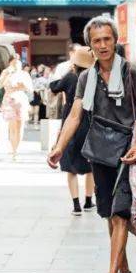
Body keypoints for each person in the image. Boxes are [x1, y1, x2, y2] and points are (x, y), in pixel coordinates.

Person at [48, 15, 136, 273]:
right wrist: (59, 147)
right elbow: (75, 114)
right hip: (99, 150)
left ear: (115, 40)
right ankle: (125, 271)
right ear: (90, 45)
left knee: (120, 213)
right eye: (97, 41)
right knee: (109, 213)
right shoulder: (86, 77)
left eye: (107, 39)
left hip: (127, 151)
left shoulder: (133, 73)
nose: (103, 45)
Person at [49, 45, 97, 216]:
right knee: (90, 165)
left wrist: (68, 72)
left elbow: (53, 87)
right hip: (89, 122)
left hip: (70, 120)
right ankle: (89, 201)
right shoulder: (93, 78)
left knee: (70, 166)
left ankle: (76, 205)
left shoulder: (70, 77)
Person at [0, 56, 33, 161]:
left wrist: (22, 86)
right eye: (14, 63)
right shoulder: (6, 72)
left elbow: (31, 89)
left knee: (20, 126)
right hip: (9, 100)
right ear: (10, 63)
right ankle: (14, 151)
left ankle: (16, 149)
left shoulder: (24, 74)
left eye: (18, 63)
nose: (16, 65)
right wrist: (7, 74)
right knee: (12, 126)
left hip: (21, 100)